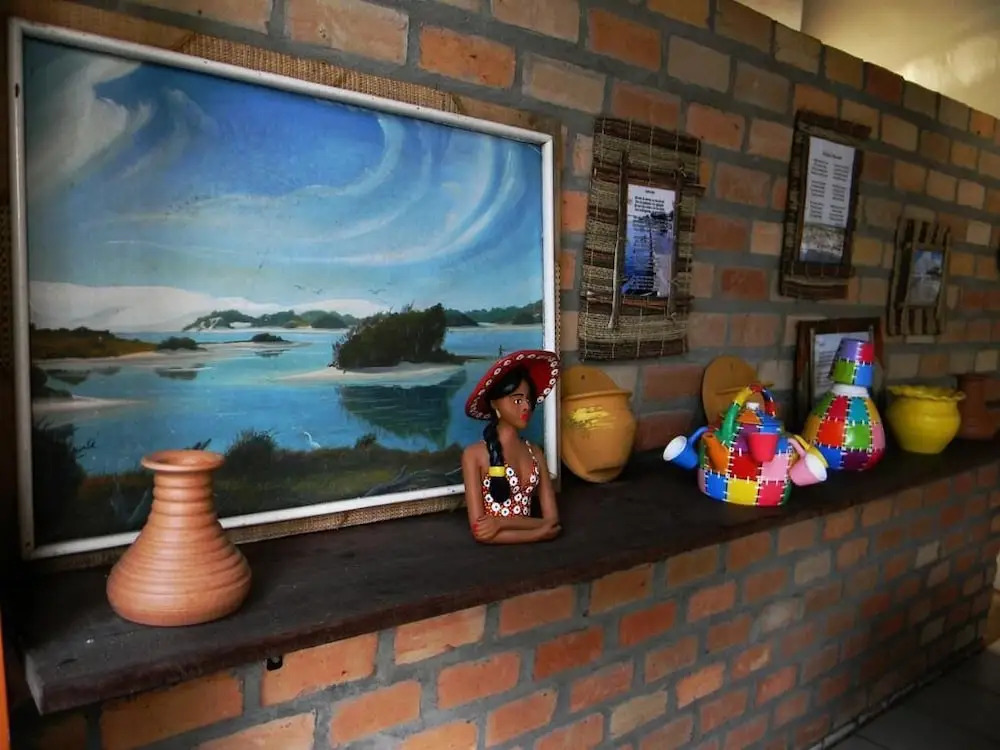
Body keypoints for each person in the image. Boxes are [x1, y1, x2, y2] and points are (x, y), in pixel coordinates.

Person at [461, 349, 561, 544]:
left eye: (528, 399)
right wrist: (538, 532)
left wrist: (500, 522)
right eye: (517, 400)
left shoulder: (535, 452)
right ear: (494, 404)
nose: (526, 406)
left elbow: (553, 520)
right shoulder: (474, 455)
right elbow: (481, 532)